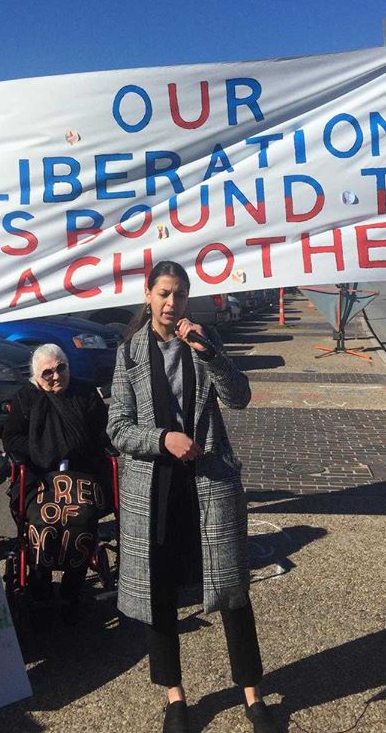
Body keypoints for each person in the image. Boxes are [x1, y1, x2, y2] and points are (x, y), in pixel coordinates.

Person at [107, 261, 278, 733]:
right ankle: (175, 697)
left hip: (208, 481)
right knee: (157, 590)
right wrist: (163, 439)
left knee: (231, 589)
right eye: (163, 293)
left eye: (179, 295)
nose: (170, 303)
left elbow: (239, 396)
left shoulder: (203, 340)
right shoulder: (128, 354)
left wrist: (209, 354)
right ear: (147, 295)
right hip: (155, 487)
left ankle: (252, 695)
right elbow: (117, 428)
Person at [3, 343, 110, 604]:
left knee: (82, 519)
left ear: (68, 366)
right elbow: (11, 438)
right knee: (42, 521)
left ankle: (72, 588)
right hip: (41, 477)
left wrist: (73, 446)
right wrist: (46, 447)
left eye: (61, 368)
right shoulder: (24, 399)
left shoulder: (84, 392)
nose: (56, 376)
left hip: (82, 474)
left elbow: (103, 433)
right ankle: (40, 585)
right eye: (47, 373)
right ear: (36, 377)